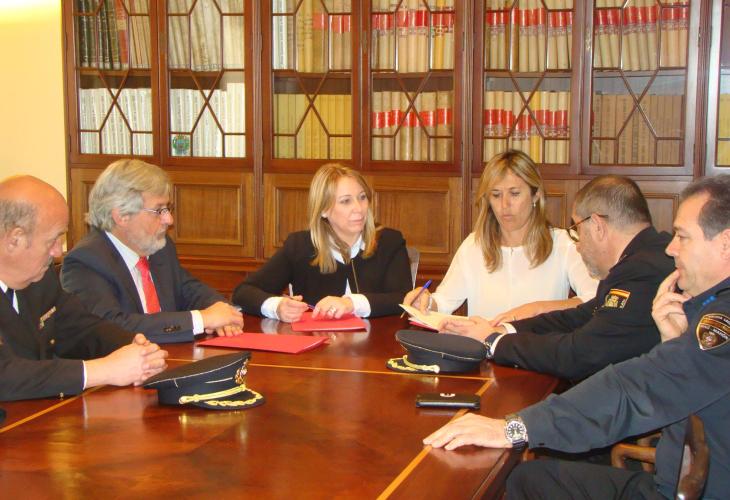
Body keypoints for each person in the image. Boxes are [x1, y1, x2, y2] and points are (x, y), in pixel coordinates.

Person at [423, 174, 730, 500]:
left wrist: (515, 427)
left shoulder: (718, 318)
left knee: (524, 477)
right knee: (529, 478)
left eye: (683, 237)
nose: (671, 247)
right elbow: (589, 318)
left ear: (725, 243)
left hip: (688, 490)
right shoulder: (706, 299)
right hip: (672, 476)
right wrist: (674, 343)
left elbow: (634, 387)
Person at [441, 175, 674, 381]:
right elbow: (580, 316)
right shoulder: (640, 259)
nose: (578, 245)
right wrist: (504, 330)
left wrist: (494, 342)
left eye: (578, 230)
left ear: (597, 226)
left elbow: (580, 355)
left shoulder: (643, 273)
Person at [0, 175, 168, 402]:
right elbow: (5, 375)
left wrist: (134, 346)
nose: (57, 252)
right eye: (52, 240)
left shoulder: (40, 279)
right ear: (15, 239)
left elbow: (81, 328)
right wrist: (102, 371)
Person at [61, 159, 243, 344]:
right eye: (158, 210)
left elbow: (190, 290)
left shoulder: (158, 246)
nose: (169, 219)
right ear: (122, 216)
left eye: (168, 208)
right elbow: (112, 326)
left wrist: (223, 312)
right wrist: (201, 319)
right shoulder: (86, 261)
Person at [404, 150, 598, 323]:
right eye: (496, 195)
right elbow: (444, 301)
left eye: (514, 193)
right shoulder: (474, 245)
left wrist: (538, 309)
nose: (505, 205)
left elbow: (595, 300)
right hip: (485, 348)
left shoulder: (564, 244)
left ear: (536, 195)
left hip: (541, 349)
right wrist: (426, 302)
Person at [232, 163, 412, 322]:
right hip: (317, 345)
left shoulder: (389, 242)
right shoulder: (299, 246)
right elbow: (243, 292)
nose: (359, 208)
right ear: (323, 209)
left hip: (377, 344)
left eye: (362, 197)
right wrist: (277, 306)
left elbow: (403, 298)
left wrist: (351, 304)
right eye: (346, 201)